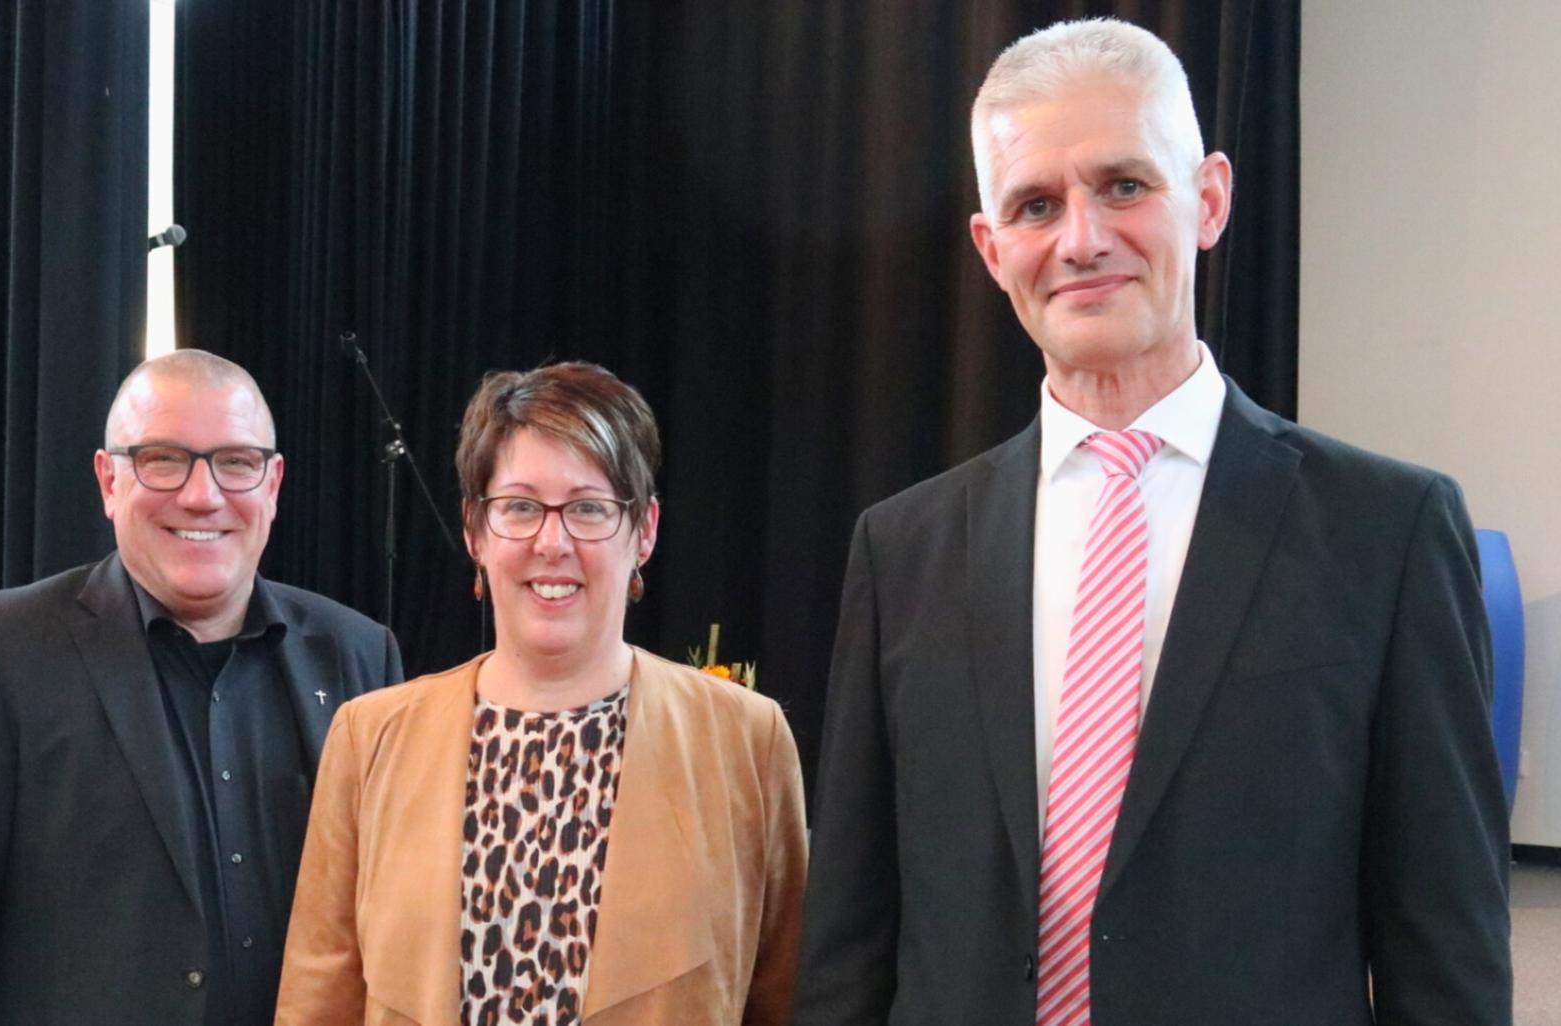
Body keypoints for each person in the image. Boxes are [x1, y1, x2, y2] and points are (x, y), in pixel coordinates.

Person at [793, 18, 1510, 1026]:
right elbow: (850, 942)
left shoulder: (1384, 534)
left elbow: (1446, 954)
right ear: (991, 250)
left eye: (1123, 185)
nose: (1080, 240)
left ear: (1207, 199)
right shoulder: (903, 549)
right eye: (1035, 205)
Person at [0, 350, 403, 1026]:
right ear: (108, 480)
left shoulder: (356, 654)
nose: (202, 494)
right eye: (162, 459)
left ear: (272, 483)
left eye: (235, 462)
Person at [275, 361, 807, 1026]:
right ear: (474, 530)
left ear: (643, 530)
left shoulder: (745, 741)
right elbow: (317, 1008)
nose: (552, 542)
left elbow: (788, 998)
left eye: (588, 508)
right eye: (520, 507)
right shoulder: (370, 738)